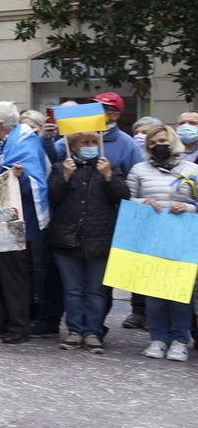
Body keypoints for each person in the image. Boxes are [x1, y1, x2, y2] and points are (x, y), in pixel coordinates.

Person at [0, 101, 48, 344]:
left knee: (13, 275)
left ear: (0, 124)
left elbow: (37, 180)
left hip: (15, 219)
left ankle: (18, 326)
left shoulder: (26, 142)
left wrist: (20, 178)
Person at [48, 131, 128, 353]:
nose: (91, 145)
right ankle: (74, 331)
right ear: (74, 147)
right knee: (73, 290)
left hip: (99, 238)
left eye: (94, 142)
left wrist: (109, 176)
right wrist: (65, 176)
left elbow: (123, 196)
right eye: (85, 142)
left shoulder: (109, 166)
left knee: (96, 290)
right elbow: (52, 196)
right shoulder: (59, 167)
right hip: (67, 238)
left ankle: (93, 332)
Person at [127, 124, 197, 362]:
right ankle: (157, 339)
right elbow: (127, 199)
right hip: (151, 238)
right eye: (154, 143)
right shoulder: (139, 169)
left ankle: (180, 340)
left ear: (173, 142)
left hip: (182, 238)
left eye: (163, 141)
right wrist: (143, 203)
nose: (159, 146)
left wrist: (188, 207)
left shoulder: (192, 169)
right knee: (154, 293)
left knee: (180, 293)